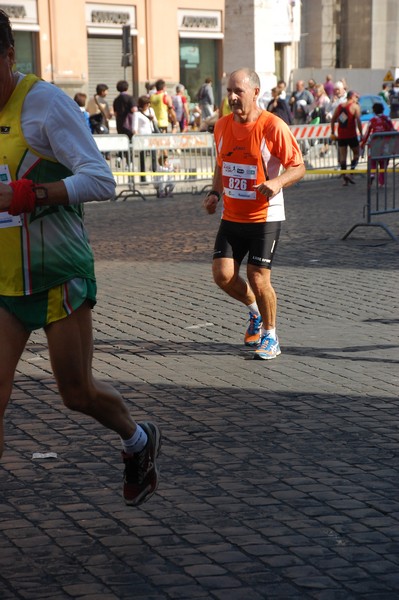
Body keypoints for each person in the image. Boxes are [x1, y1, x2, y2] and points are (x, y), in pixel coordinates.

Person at [0, 9, 160, 507]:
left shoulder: (43, 105)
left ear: (7, 56)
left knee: (77, 394)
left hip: (58, 276)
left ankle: (138, 440)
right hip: (5, 283)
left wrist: (32, 195)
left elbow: (102, 180)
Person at [203, 68, 305, 360]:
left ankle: (271, 337)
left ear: (256, 92)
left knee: (258, 277)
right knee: (222, 276)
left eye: (239, 91)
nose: (233, 97)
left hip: (265, 217)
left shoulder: (273, 126)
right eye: (229, 92)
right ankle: (256, 313)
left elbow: (298, 167)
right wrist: (214, 193)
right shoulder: (221, 126)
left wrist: (276, 182)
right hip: (232, 216)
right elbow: (223, 165)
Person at [330, 90, 363, 186]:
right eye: (356, 97)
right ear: (352, 97)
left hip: (341, 135)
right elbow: (358, 121)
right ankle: (350, 173)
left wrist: (333, 132)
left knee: (343, 157)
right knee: (357, 153)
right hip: (351, 135)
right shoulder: (355, 107)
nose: (357, 99)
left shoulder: (339, 107)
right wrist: (361, 134)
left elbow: (332, 120)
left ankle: (344, 178)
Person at [360, 102, 394, 187]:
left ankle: (372, 175)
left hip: (374, 144)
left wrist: (362, 143)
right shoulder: (387, 119)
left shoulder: (372, 121)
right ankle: (381, 182)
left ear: (374, 111)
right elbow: (392, 130)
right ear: (382, 109)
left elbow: (367, 133)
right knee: (384, 163)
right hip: (385, 145)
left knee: (373, 161)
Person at [132, 95, 158, 179]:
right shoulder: (137, 114)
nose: (148, 105)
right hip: (142, 137)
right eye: (146, 104)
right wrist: (136, 136)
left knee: (153, 155)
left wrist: (153, 118)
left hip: (151, 135)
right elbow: (134, 127)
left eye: (149, 103)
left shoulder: (151, 110)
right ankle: (143, 177)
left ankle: (154, 173)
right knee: (142, 157)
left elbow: (156, 122)